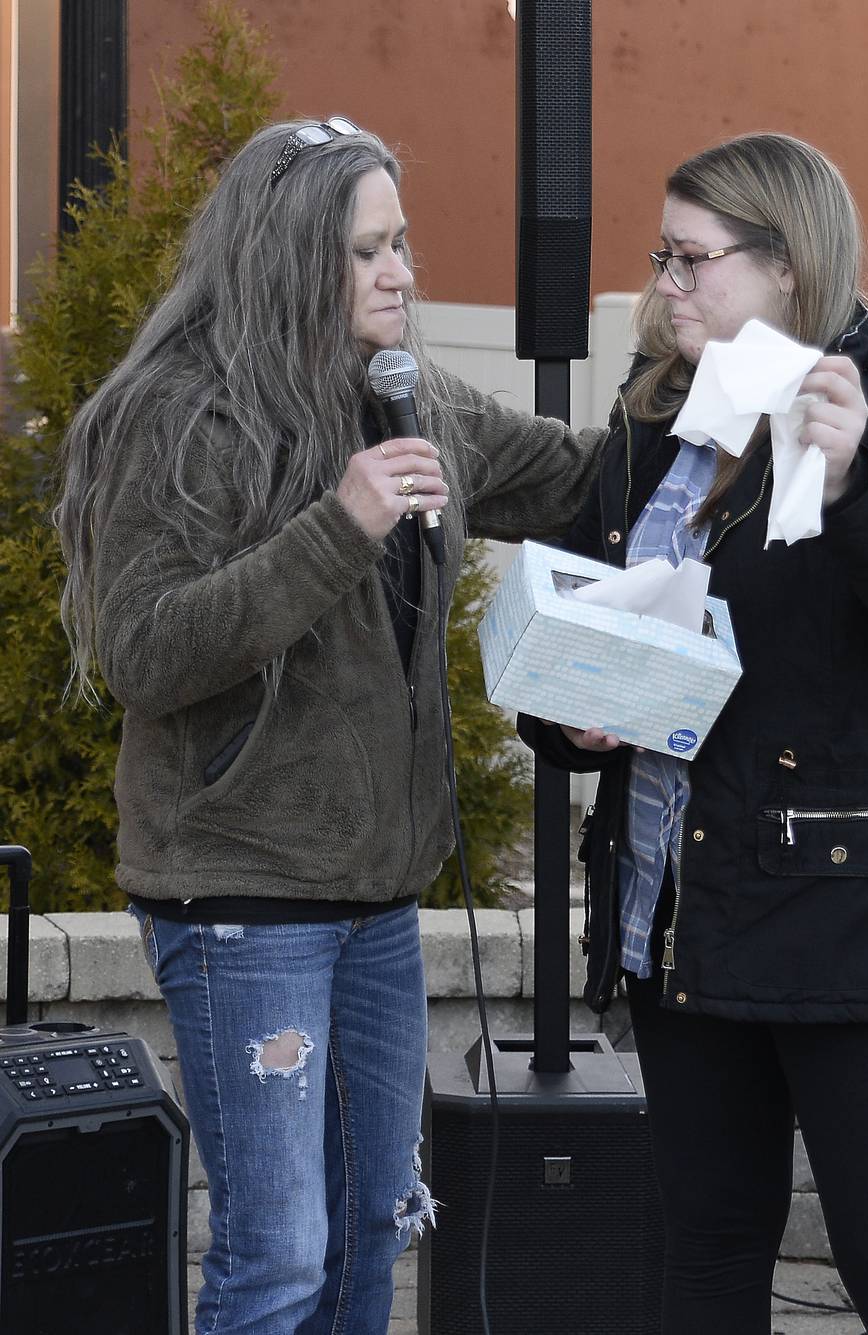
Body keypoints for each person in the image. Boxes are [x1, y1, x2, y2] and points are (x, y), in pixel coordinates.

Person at [54, 117, 603, 1334]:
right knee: (278, 1254)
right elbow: (143, 654)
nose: (401, 272)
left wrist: (711, 399)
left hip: (374, 900)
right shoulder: (178, 414)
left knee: (369, 1231)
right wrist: (337, 527)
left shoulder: (403, 395)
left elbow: (574, 481)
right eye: (369, 251)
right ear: (290, 256)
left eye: (401, 243)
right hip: (243, 901)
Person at [519, 131, 868, 1334]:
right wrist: (571, 715)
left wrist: (854, 485)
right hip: (685, 914)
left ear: (788, 265)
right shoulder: (659, 431)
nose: (666, 284)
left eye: (694, 259)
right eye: (663, 254)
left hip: (858, 913)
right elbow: (593, 628)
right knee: (704, 1250)